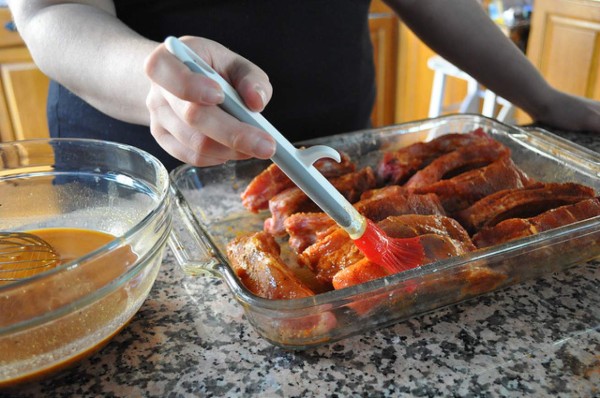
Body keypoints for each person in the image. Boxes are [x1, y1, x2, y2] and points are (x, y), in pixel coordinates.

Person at [7, 0, 600, 171]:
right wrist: (153, 87)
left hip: (341, 151)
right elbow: (49, 11)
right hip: (144, 166)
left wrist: (544, 98)